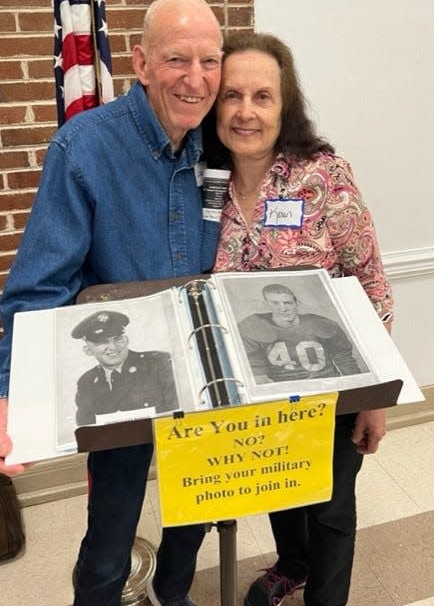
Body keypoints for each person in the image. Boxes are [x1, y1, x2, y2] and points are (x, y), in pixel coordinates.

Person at [0, 0, 223, 606]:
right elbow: (39, 286)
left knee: (196, 511)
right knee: (111, 530)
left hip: (203, 375)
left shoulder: (223, 141)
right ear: (141, 63)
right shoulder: (85, 149)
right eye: (178, 59)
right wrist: (7, 393)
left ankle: (173, 595)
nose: (196, 78)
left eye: (211, 60)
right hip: (120, 381)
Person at [206, 32, 393, 606]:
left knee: (331, 504)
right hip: (248, 386)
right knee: (279, 487)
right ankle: (293, 564)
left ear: (285, 107)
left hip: (327, 378)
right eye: (232, 95)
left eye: (262, 96)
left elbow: (372, 284)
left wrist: (374, 396)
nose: (245, 111)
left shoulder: (322, 176)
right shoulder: (196, 183)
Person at [239, 283, 362, 384]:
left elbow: (344, 359)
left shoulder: (322, 324)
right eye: (275, 303)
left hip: (326, 383)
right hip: (284, 389)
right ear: (266, 305)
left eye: (287, 303)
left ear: (297, 303)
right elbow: (256, 369)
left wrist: (357, 386)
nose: (283, 308)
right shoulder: (253, 326)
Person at [71, 310, 178, 426]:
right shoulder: (86, 382)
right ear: (88, 351)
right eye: (102, 342)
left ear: (126, 340)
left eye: (117, 339)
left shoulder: (158, 363)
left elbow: (178, 414)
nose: (113, 347)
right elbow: (87, 429)